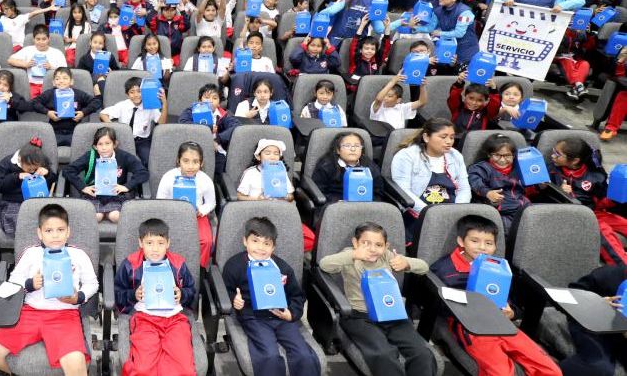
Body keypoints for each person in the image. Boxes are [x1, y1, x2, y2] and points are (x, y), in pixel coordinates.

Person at [429, 216, 562, 376]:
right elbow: (431, 302)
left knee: (551, 371)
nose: (482, 247)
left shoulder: (499, 268)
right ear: (461, 241)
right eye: (475, 241)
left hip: (502, 324)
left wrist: (511, 312)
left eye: (489, 243)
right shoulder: (444, 269)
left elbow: (512, 300)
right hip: (472, 328)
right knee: (501, 373)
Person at [0, 204, 98, 376]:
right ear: (40, 233)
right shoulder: (31, 253)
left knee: (76, 363)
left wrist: (78, 297)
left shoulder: (78, 255)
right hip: (30, 313)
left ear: (68, 232)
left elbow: (93, 284)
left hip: (64, 315)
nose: (55, 235)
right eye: (49, 230)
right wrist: (30, 284)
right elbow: (13, 280)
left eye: (60, 230)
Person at [318, 222, 436, 376]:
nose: (372, 249)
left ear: (386, 246)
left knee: (422, 353)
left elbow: (424, 267)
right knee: (383, 354)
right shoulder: (350, 255)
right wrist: (353, 254)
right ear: (355, 243)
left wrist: (406, 263)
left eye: (379, 245)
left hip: (392, 315)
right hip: (360, 317)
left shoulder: (388, 256)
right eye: (365, 243)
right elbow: (324, 264)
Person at [223, 217, 322, 376]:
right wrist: (234, 299)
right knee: (269, 354)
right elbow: (224, 290)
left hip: (281, 316)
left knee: (303, 354)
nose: (260, 248)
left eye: (267, 243)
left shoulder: (282, 267)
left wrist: (292, 314)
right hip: (253, 317)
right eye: (255, 241)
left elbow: (297, 295)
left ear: (273, 247)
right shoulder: (234, 265)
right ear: (245, 241)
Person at [114, 218, 197, 375]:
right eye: (149, 243)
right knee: (143, 368)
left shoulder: (178, 263)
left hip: (175, 320)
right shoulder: (130, 264)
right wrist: (133, 295)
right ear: (140, 243)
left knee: (184, 368)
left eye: (160, 243)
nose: (155, 249)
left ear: (168, 243)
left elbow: (192, 290)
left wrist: (182, 294)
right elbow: (118, 294)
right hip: (145, 319)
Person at [63, 127, 149, 224]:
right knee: (96, 216)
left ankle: (108, 213)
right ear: (95, 146)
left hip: (115, 196)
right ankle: (103, 214)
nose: (104, 148)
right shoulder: (90, 156)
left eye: (108, 143)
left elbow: (143, 172)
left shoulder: (124, 156)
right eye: (100, 144)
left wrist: (126, 186)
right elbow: (67, 171)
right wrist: (83, 187)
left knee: (115, 216)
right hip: (93, 195)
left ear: (114, 144)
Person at [390, 118, 470, 217]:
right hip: (419, 211)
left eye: (452, 137)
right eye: (443, 137)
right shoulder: (406, 156)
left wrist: (458, 211)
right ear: (426, 137)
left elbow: (464, 188)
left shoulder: (455, 155)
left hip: (451, 210)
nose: (449, 142)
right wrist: (429, 214)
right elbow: (403, 191)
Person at [156, 142, 216, 267]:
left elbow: (211, 203)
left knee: (207, 241)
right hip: (171, 215)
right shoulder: (168, 177)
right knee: (166, 241)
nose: (190, 166)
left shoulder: (205, 179)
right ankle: (169, 267)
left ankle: (200, 269)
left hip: (196, 216)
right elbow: (160, 200)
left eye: (195, 162)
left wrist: (202, 210)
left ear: (201, 163)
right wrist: (171, 210)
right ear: (179, 161)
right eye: (186, 161)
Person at [559, 264, 627, 375]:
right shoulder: (608, 275)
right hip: (591, 326)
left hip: (620, 338)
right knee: (599, 368)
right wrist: (598, 302)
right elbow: (572, 294)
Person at [0, 139, 57, 236]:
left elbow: (53, 179)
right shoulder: (6, 163)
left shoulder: (42, 160)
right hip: (13, 202)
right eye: (29, 168)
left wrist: (47, 173)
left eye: (35, 168)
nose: (32, 171)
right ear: (20, 160)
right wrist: (17, 177)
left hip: (39, 199)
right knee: (19, 223)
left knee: (47, 221)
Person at [310, 131, 383, 205]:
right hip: (336, 205)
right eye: (347, 146)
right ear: (338, 150)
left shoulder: (369, 165)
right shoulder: (326, 165)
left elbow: (377, 191)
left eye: (357, 146)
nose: (353, 149)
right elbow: (319, 192)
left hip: (365, 206)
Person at [432, 0, 478, 66]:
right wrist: (415, 27)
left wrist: (440, 33)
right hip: (448, 48)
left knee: (463, 76)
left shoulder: (465, 12)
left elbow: (459, 33)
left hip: (465, 50)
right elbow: (431, 28)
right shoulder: (438, 10)